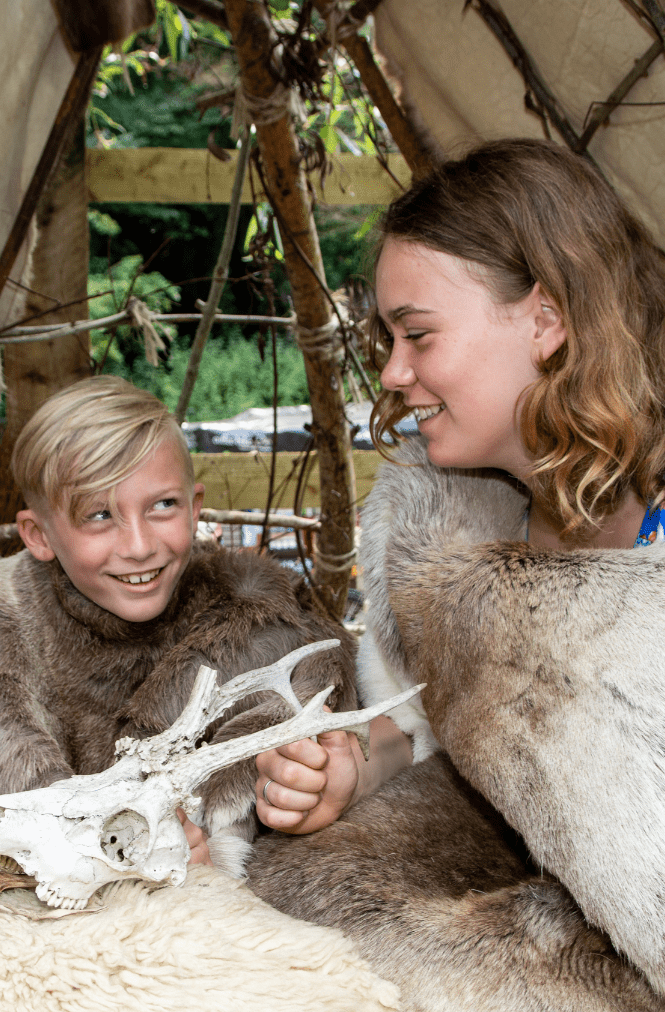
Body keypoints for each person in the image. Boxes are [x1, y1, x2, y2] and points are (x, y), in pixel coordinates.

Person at [255, 137, 665, 839]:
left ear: (546, 320)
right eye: (389, 339)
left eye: (418, 334)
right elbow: (409, 725)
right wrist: (349, 767)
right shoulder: (434, 530)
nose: (390, 373)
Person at [0, 375, 357, 871]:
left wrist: (309, 782)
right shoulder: (1, 612)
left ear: (195, 507)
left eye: (163, 505)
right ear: (38, 536)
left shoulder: (261, 619)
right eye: (99, 515)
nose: (140, 545)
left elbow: (365, 740)